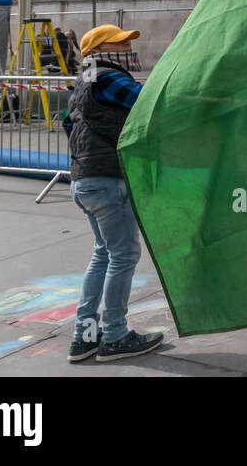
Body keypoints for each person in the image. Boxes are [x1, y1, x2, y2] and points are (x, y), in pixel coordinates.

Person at [64, 24, 164, 362]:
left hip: (85, 179)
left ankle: (85, 336)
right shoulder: (106, 76)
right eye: (120, 43)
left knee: (103, 255)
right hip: (107, 180)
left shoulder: (82, 82)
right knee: (123, 256)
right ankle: (116, 336)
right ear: (99, 50)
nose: (127, 48)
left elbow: (68, 125)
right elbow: (145, 99)